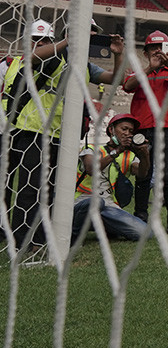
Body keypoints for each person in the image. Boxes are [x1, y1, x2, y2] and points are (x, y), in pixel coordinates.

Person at [2, 19, 124, 248]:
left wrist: (118, 54)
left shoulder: (84, 66)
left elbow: (114, 80)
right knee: (32, 189)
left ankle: (42, 236)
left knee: (52, 190)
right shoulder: (53, 54)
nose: (89, 37)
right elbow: (32, 58)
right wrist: (69, 41)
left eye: (92, 34)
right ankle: (23, 241)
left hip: (63, 135)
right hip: (35, 130)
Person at [122, 30, 168, 235]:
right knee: (144, 174)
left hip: (166, 129)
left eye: (162, 47)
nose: (158, 51)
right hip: (142, 128)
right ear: (146, 53)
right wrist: (149, 68)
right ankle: (140, 216)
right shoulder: (139, 72)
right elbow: (127, 86)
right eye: (153, 48)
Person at [71, 113, 150, 243]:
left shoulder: (129, 155)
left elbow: (142, 174)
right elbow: (91, 169)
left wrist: (145, 154)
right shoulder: (92, 148)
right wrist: (117, 151)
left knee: (144, 232)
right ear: (111, 130)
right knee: (96, 202)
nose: (127, 133)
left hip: (108, 204)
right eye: (123, 129)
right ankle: (74, 235)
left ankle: (102, 225)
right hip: (83, 200)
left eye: (131, 131)